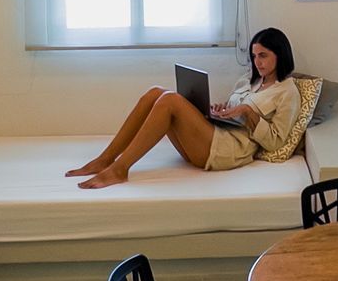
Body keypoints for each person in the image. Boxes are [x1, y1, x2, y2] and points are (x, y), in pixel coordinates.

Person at [67, 28, 303, 190]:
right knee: (155, 93)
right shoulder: (249, 81)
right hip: (216, 132)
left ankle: (120, 169)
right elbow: (235, 110)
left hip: (229, 150)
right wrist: (222, 109)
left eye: (263, 55)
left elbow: (276, 143)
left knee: (170, 100)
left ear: (280, 55)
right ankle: (106, 158)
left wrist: (248, 112)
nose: (257, 62)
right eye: (254, 56)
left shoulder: (288, 92)